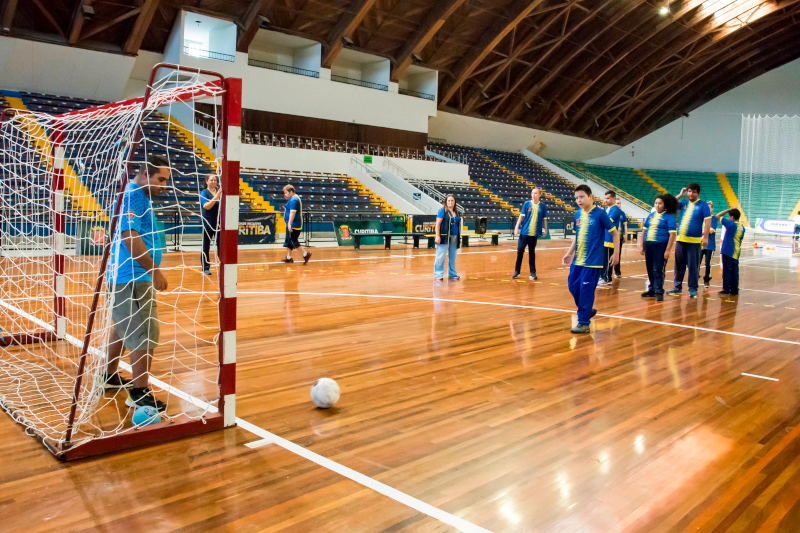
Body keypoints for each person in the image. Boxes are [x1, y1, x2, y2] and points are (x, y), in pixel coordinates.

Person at [101, 155, 171, 412]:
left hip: (126, 276)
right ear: (144, 175)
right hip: (131, 276)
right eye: (160, 179)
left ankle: (107, 375)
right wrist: (154, 271)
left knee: (122, 328)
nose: (163, 186)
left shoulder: (135, 195)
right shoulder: (135, 195)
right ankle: (139, 392)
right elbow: (130, 236)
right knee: (145, 333)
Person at [562, 185, 619, 334]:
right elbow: (576, 237)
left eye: (581, 197)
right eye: (576, 198)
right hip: (577, 260)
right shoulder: (577, 214)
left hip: (592, 262)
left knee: (586, 291)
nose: (578, 200)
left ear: (590, 197)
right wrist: (569, 253)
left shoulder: (600, 214)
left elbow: (615, 234)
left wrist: (616, 253)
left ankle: (584, 323)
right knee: (573, 286)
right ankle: (586, 309)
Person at [667, 183, 711, 298]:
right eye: (689, 191)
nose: (691, 194)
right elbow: (669, 205)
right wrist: (680, 195)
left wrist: (705, 237)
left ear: (698, 193)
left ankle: (693, 289)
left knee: (693, 266)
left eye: (693, 192)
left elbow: (707, 222)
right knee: (679, 265)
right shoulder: (684, 203)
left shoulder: (703, 205)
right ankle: (677, 287)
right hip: (680, 240)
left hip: (694, 242)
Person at [639, 194, 678, 301]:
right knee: (650, 269)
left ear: (665, 205)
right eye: (656, 203)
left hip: (660, 246)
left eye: (660, 203)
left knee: (658, 269)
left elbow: (672, 235)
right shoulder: (651, 215)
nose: (657, 205)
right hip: (649, 245)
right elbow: (644, 231)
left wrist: (668, 250)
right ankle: (651, 289)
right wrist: (641, 245)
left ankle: (659, 291)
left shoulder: (669, 217)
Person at [513, 188, 548, 280]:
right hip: (524, 233)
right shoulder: (527, 204)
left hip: (534, 234)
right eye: (532, 193)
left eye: (536, 193)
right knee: (520, 251)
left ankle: (533, 273)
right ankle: (517, 271)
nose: (533, 195)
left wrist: (546, 230)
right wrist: (516, 227)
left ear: (540, 195)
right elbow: (521, 216)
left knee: (532, 253)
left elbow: (544, 219)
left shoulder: (542, 206)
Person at [717, 208, 745, 295]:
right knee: (735, 271)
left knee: (727, 271)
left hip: (728, 250)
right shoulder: (742, 227)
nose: (729, 218)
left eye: (729, 216)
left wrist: (728, 209)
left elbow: (718, 216)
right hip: (736, 252)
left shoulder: (731, 224)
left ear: (732, 217)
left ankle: (726, 289)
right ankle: (734, 290)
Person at [282, 184, 311, 264]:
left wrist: (290, 224)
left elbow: (293, 212)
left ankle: (305, 254)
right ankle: (288, 257)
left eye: (286, 193)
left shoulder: (294, 200)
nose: (285, 195)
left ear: (291, 192)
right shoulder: (293, 199)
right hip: (292, 224)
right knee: (289, 241)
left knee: (293, 241)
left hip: (294, 224)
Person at [598, 190, 623, 286]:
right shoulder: (607, 209)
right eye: (605, 198)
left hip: (610, 239)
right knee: (603, 260)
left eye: (608, 198)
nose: (606, 200)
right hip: (604, 238)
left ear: (613, 198)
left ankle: (607, 278)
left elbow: (607, 221)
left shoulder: (615, 209)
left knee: (608, 261)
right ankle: (602, 277)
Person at [434, 194, 460, 281]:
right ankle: (438, 274)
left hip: (454, 237)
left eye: (452, 200)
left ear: (454, 202)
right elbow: (437, 224)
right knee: (440, 256)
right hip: (444, 237)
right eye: (449, 200)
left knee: (453, 257)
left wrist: (458, 238)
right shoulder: (442, 211)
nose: (450, 202)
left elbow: (457, 225)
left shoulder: (457, 212)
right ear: (446, 201)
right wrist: (437, 236)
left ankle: (452, 274)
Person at [200, 174, 222, 275]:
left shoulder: (220, 191)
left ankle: (222, 265)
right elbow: (207, 206)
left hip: (219, 224)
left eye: (215, 180)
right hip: (207, 223)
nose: (213, 182)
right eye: (211, 180)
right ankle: (205, 267)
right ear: (207, 181)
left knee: (221, 246)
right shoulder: (203, 193)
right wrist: (217, 196)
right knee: (206, 246)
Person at [697, 200, 718, 288]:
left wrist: (699, 232)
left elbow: (711, 230)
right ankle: (695, 278)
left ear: (712, 209)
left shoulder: (714, 219)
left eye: (710, 208)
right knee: (697, 262)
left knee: (707, 263)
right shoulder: (701, 218)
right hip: (699, 244)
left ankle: (706, 280)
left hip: (709, 245)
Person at [614, 197, 628, 279]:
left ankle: (617, 272)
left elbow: (625, 225)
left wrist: (625, 236)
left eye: (620, 203)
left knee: (618, 254)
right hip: (611, 238)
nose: (619, 205)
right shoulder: (611, 212)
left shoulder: (622, 213)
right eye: (617, 203)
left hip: (619, 237)